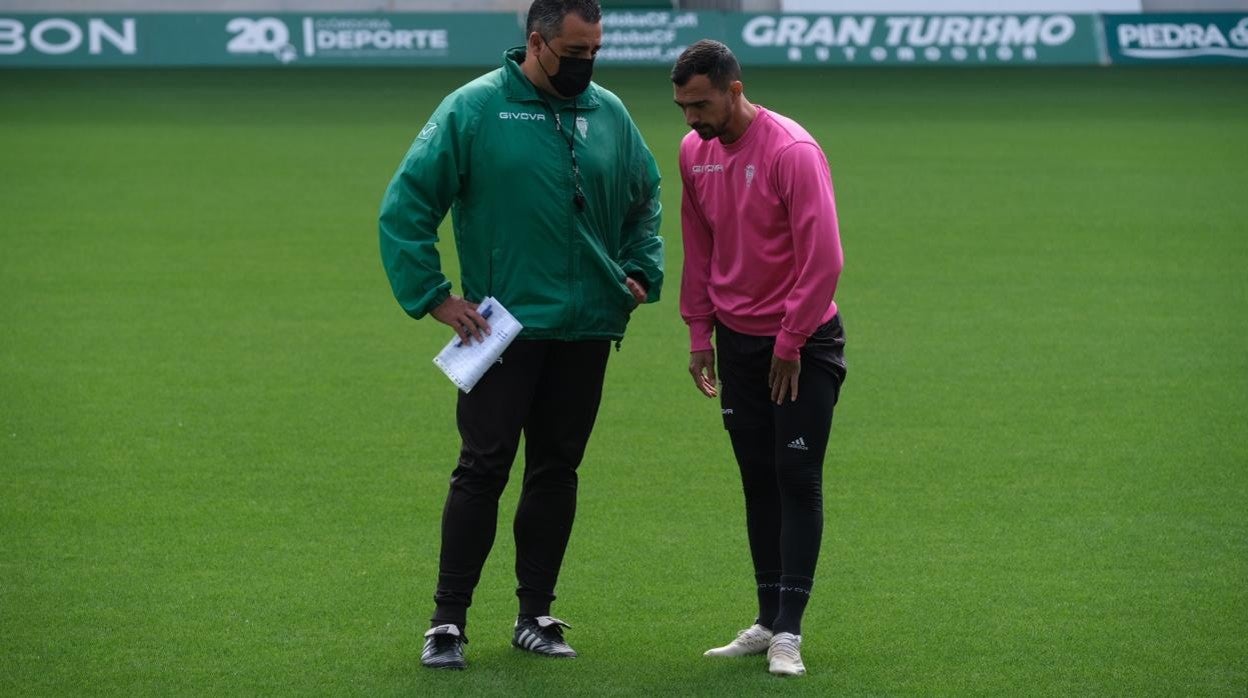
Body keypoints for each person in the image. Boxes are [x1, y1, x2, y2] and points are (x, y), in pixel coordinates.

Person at [378, 0, 663, 671]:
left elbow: (644, 196)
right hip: (501, 330)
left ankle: (535, 613)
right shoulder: (474, 109)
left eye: (596, 50)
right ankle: (447, 622)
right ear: (537, 43)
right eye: (574, 52)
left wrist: (640, 266)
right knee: (482, 468)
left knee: (557, 468)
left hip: (586, 325)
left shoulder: (609, 114)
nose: (587, 64)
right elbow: (407, 204)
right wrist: (434, 297)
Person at [671, 39, 846, 677]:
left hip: (800, 346)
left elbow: (823, 256)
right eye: (683, 107)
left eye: (701, 104)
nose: (692, 119)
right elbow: (699, 248)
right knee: (756, 481)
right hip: (738, 345)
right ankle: (767, 617)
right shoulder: (696, 153)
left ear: (734, 89)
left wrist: (792, 339)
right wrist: (699, 333)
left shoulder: (791, 151)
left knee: (797, 479)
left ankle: (789, 635)